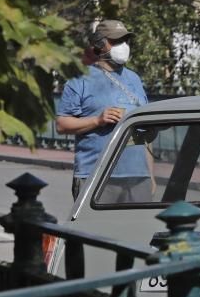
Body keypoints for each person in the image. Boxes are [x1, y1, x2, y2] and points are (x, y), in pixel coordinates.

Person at [57, 19, 152, 202]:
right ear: (99, 44)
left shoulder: (134, 79)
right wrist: (97, 121)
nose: (123, 46)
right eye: (116, 41)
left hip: (138, 178)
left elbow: (144, 131)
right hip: (95, 177)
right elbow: (61, 125)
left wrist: (150, 174)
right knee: (93, 231)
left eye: (126, 41)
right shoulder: (80, 79)